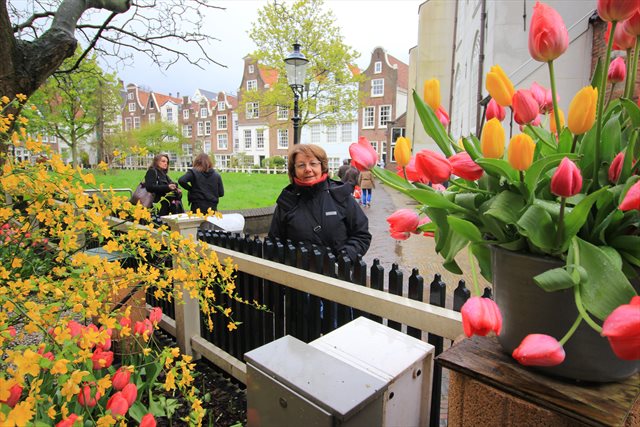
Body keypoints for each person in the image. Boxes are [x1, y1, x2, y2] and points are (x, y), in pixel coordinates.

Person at [269, 144, 371, 263]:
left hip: (338, 275)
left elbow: (362, 235)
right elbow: (275, 242)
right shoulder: (287, 201)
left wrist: (346, 256)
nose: (308, 169)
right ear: (294, 171)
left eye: (313, 163)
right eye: (301, 165)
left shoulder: (340, 195)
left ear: (322, 166)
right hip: (301, 276)